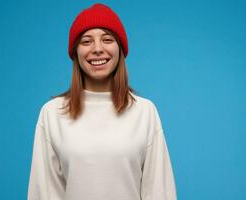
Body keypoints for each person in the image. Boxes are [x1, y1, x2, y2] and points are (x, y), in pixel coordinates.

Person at [27, 3, 177, 200]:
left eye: (107, 39)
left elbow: (160, 191)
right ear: (76, 53)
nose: (97, 49)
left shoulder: (144, 112)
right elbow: (44, 193)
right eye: (86, 41)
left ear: (120, 49)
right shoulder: (53, 113)